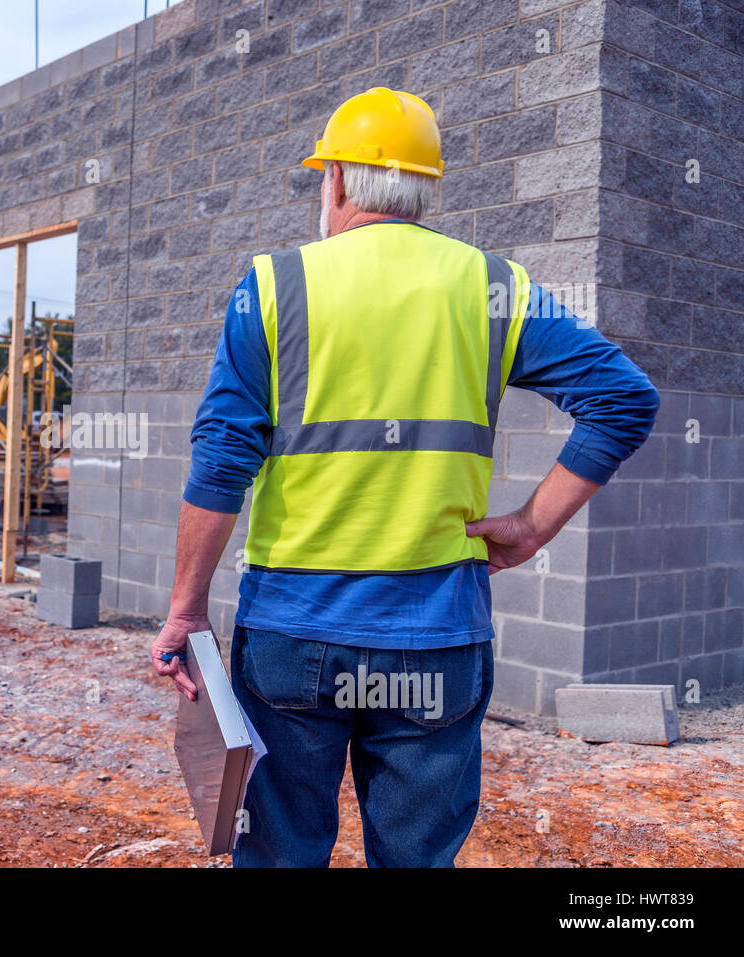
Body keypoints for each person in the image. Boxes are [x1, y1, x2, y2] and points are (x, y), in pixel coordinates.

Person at [151, 87, 661, 867]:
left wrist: (186, 610)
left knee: (280, 854)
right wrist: (532, 525)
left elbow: (222, 458)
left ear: (340, 183)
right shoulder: (495, 287)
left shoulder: (275, 286)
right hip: (436, 641)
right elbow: (624, 398)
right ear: (424, 189)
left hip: (294, 638)